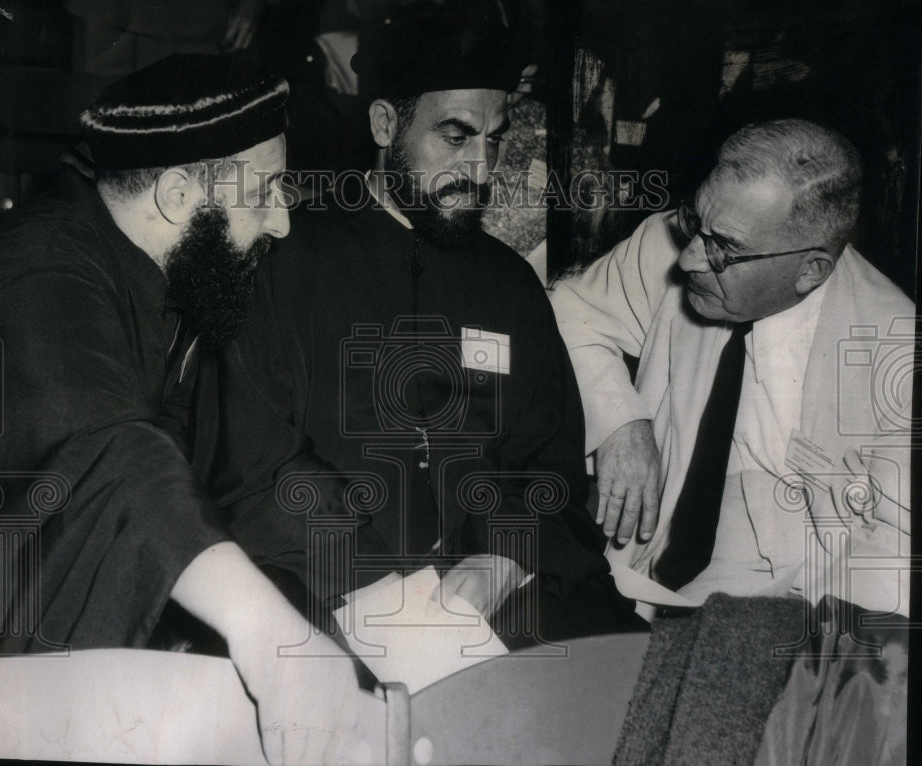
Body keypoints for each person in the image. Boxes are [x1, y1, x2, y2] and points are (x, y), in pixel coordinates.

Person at [0, 53, 366, 766]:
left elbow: (253, 467)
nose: (283, 221)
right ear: (173, 194)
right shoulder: (32, 268)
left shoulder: (184, 276)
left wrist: (386, 592)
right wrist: (269, 636)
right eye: (265, 191)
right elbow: (114, 458)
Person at [176, 10, 643, 646]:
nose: (481, 171)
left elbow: (549, 466)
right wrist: (381, 585)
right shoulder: (281, 261)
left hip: (499, 593)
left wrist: (500, 562)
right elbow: (254, 465)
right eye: (455, 137)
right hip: (327, 583)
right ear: (384, 124)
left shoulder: (510, 285)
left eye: (495, 139)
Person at [550, 119, 912, 616]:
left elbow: (896, 556)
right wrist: (621, 422)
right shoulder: (675, 239)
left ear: (811, 270)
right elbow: (569, 315)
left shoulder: (895, 354)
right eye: (695, 222)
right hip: (634, 576)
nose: (690, 259)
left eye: (725, 249)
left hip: (778, 614)